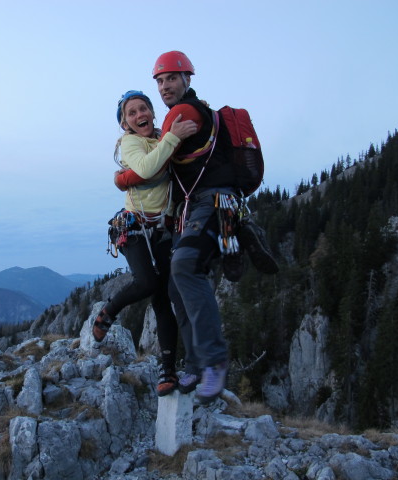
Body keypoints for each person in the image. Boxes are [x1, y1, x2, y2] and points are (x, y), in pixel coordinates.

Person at [115, 51, 277, 403]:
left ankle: (212, 361)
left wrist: (124, 177)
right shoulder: (190, 113)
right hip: (203, 206)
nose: (164, 86)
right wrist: (128, 175)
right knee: (177, 284)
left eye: (170, 78)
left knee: (184, 267)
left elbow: (149, 168)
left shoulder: (183, 113)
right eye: (159, 81)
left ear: (187, 78)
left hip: (209, 202)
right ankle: (194, 364)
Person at [92, 90, 197, 397]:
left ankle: (168, 371)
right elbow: (148, 167)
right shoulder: (130, 143)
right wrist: (172, 139)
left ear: (152, 113)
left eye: (143, 109)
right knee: (148, 282)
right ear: (125, 123)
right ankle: (108, 312)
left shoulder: (164, 139)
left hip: (163, 229)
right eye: (132, 113)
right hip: (134, 227)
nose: (139, 115)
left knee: (164, 299)